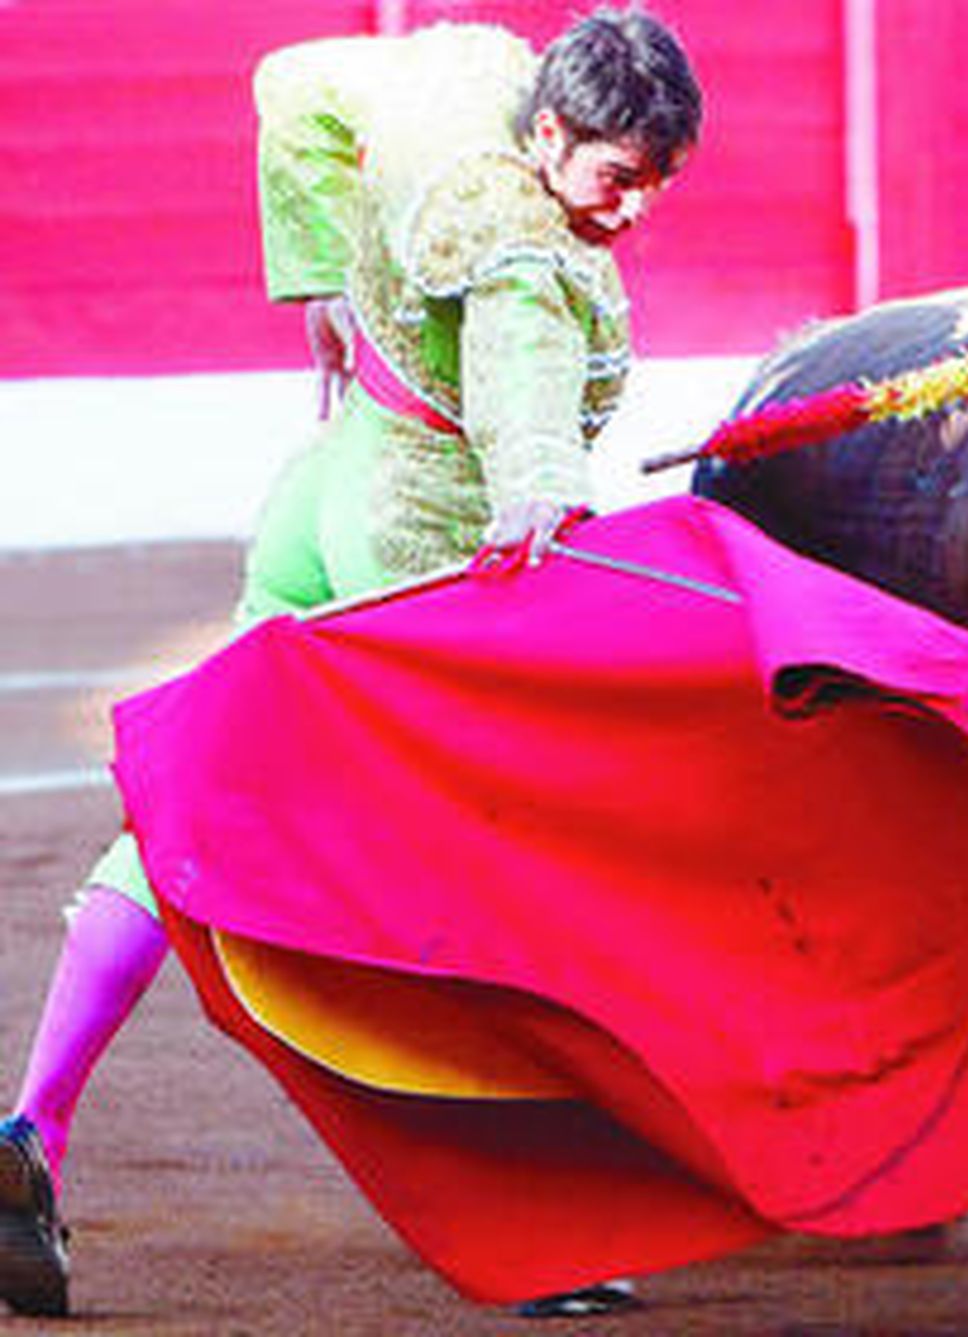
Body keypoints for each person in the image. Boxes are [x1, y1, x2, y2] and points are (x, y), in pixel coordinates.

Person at [0, 7, 701, 1317]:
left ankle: (31, 1121)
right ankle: (527, 1214)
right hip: (419, 553)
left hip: (322, 496)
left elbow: (294, 85)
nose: (635, 209)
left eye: (660, 181)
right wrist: (538, 492)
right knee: (494, 869)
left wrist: (323, 276)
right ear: (553, 131)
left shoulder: (464, 76)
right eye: (619, 176)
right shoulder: (527, 250)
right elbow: (524, 386)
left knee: (184, 803)